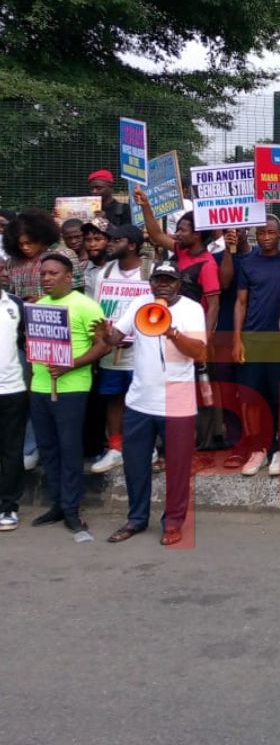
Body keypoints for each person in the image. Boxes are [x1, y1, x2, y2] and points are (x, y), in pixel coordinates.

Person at [101, 262, 207, 546]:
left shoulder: (192, 309)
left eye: (169, 281)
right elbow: (116, 337)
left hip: (178, 404)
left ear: (179, 284)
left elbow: (198, 352)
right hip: (139, 402)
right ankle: (136, 519)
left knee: (178, 469)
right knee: (135, 465)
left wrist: (172, 332)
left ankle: (173, 522)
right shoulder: (139, 303)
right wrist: (105, 334)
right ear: (150, 283)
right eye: (158, 280)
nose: (163, 285)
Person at [27, 253, 110, 534]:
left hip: (72, 388)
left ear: (68, 277)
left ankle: (72, 508)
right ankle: (57, 504)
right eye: (43, 274)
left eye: (52, 273)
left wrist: (69, 365)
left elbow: (103, 345)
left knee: (69, 448)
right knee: (48, 449)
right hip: (40, 387)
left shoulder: (86, 306)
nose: (46, 278)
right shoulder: (39, 307)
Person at [231, 216, 280, 477]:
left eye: (270, 233)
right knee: (251, 398)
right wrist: (237, 339)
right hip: (253, 339)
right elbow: (241, 303)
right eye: (261, 233)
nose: (265, 237)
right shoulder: (247, 263)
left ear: (279, 234)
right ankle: (258, 449)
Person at [88, 224, 154, 475]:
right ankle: (115, 447)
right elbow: (99, 309)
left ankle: (146, 447)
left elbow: (157, 309)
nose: (110, 244)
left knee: (143, 400)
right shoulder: (104, 272)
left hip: (142, 351)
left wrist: (135, 334)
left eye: (117, 240)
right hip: (112, 351)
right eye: (111, 239)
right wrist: (108, 336)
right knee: (114, 399)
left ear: (133, 245)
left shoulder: (150, 271)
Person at [134, 188, 221, 339]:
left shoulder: (207, 265)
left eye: (182, 231)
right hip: (168, 321)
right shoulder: (181, 250)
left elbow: (213, 306)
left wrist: (204, 340)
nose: (177, 234)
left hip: (189, 327)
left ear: (197, 234)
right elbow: (156, 235)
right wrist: (145, 205)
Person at [0, 259, 29, 532]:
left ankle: (8, 506)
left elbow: (25, 341)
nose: (4, 274)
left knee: (11, 451)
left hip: (12, 390)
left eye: (4, 269)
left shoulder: (16, 304)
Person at [2, 209, 77, 302]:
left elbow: (77, 292)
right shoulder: (12, 262)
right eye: (20, 244)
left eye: (29, 243)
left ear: (41, 238)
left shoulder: (64, 255)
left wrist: (42, 301)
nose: (25, 247)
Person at [80, 218, 111, 302]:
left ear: (108, 240)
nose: (92, 244)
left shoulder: (119, 268)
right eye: (88, 240)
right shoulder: (81, 269)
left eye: (98, 239)